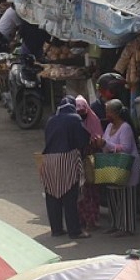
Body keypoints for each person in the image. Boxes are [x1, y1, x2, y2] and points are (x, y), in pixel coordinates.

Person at [40, 97, 91, 239]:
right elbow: (82, 139)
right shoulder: (74, 118)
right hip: (66, 159)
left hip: (48, 160)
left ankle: (56, 229)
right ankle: (74, 231)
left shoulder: (51, 120)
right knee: (69, 196)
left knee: (52, 196)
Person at [102, 99, 140, 237]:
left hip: (126, 166)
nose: (106, 114)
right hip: (112, 166)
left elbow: (126, 148)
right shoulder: (108, 127)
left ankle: (126, 227)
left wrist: (107, 144)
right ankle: (115, 224)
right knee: (113, 196)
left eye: (108, 111)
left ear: (115, 113)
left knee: (126, 197)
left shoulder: (125, 128)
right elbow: (105, 143)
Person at [74, 95, 104, 231]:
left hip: (92, 162)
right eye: (78, 113)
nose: (82, 116)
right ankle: (84, 219)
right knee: (83, 192)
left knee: (93, 192)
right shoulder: (74, 122)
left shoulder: (94, 120)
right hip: (79, 163)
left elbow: (100, 140)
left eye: (83, 112)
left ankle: (94, 219)